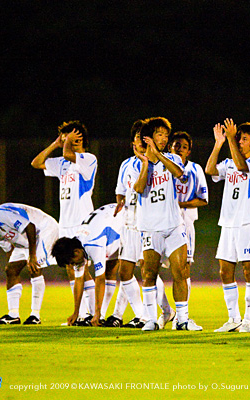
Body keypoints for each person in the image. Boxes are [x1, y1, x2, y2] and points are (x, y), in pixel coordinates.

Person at [133, 117, 201, 331]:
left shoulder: (172, 158)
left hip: (173, 225)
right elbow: (139, 188)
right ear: (149, 137)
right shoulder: (137, 162)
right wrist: (146, 162)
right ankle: (151, 319)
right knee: (149, 274)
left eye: (165, 135)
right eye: (159, 134)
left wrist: (159, 155)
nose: (163, 139)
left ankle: (182, 320)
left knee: (180, 272)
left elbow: (180, 174)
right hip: (150, 227)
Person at [31, 121, 99, 325]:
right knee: (71, 268)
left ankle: (91, 314)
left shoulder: (88, 159)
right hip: (66, 222)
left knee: (82, 267)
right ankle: (83, 314)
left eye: (67, 136)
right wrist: (54, 145)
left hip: (82, 222)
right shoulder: (62, 162)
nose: (63, 140)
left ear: (78, 138)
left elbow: (71, 155)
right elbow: (36, 163)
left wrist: (68, 143)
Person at [206, 119, 250, 333]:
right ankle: (233, 319)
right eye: (239, 138)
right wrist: (219, 142)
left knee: (249, 269)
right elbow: (210, 169)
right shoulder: (229, 161)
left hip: (248, 222)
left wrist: (231, 139)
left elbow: (242, 166)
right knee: (225, 271)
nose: (240, 142)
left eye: (244, 139)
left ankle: (248, 320)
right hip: (228, 222)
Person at [0, 203, 58, 325]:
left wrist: (32, 256)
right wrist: (15, 264)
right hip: (25, 241)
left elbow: (30, 227)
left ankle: (35, 315)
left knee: (34, 267)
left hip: (43, 230)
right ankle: (13, 315)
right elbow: (9, 250)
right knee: (11, 270)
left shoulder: (0, 214)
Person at [108, 120, 153, 329]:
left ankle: (150, 316)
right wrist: (120, 201)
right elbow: (120, 190)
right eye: (136, 139)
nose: (138, 143)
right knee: (124, 272)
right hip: (128, 223)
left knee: (147, 271)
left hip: (146, 224)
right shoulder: (126, 164)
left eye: (142, 139)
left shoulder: (154, 163)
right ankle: (142, 315)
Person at [51, 204, 122, 327]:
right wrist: (76, 312)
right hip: (111, 226)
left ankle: (141, 316)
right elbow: (79, 281)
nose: (73, 266)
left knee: (127, 272)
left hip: (126, 221)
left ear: (76, 252)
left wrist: (97, 312)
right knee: (114, 272)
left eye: (72, 262)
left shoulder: (92, 245)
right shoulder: (76, 245)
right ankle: (102, 316)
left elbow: (100, 279)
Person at [168, 130, 209, 326]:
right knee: (150, 268)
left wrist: (179, 205)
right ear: (170, 147)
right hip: (162, 224)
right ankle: (164, 312)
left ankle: (181, 315)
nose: (179, 149)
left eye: (184, 146)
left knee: (183, 270)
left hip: (185, 225)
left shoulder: (195, 170)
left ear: (188, 151)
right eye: (176, 145)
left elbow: (203, 199)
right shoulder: (163, 167)